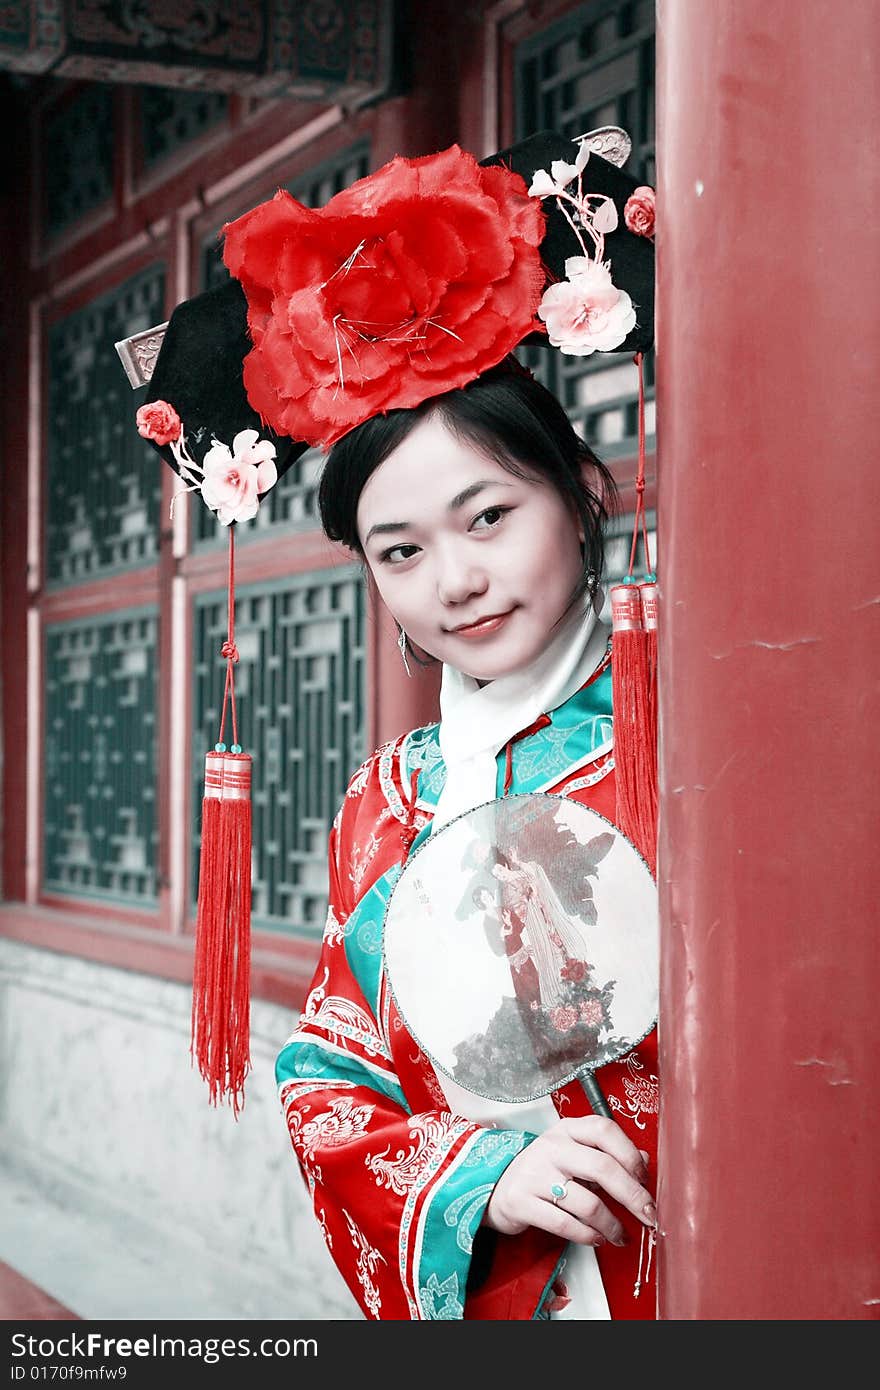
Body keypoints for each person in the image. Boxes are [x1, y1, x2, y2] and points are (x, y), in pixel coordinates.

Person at [275, 362, 659, 1320]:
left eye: (488, 516)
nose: (456, 582)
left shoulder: (696, 741)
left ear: (580, 492)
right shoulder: (389, 799)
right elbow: (330, 1072)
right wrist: (477, 1179)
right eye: (400, 553)